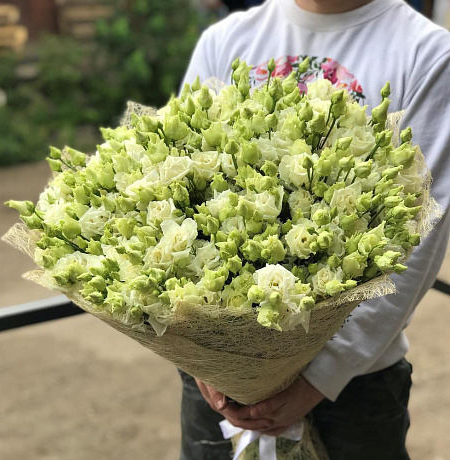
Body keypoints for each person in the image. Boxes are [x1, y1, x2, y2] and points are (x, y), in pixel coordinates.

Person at [178, 0, 450, 458]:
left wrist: (320, 377)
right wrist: (205, 362)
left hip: (350, 388)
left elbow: (419, 237)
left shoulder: (428, 55)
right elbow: (179, 191)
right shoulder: (226, 40)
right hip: (215, 392)